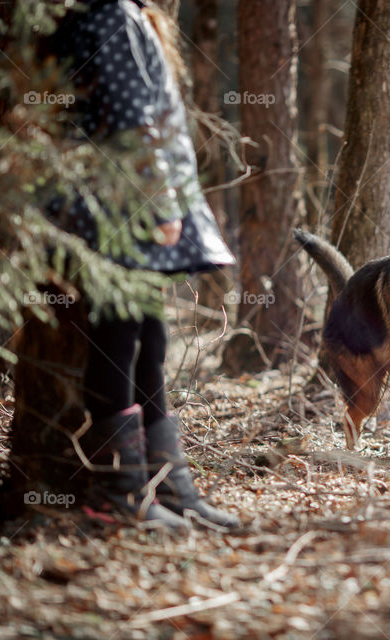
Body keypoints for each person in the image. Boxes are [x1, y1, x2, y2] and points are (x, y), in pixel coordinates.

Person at [44, 0, 238, 529]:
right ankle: (118, 490)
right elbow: (132, 119)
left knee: (149, 336)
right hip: (122, 208)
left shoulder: (117, 15)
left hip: (122, 204)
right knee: (120, 337)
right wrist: (160, 201)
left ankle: (168, 485)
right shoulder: (112, 17)